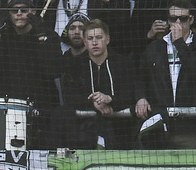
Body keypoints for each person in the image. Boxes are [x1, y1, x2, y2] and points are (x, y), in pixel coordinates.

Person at [0, 1, 63, 149]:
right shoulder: (2, 37)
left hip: (42, 111)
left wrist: (41, 37)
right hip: (8, 113)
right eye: (14, 11)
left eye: (24, 9)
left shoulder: (49, 36)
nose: (19, 13)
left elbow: (53, 70)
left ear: (32, 11)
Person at [135, 0, 196, 148]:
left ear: (191, 20)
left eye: (183, 19)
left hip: (191, 129)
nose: (178, 23)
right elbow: (141, 78)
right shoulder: (155, 48)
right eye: (173, 18)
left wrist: (179, 43)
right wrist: (141, 97)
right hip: (160, 128)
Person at [59, 19, 140, 149]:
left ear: (107, 39)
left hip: (122, 131)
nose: (95, 42)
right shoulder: (74, 65)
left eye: (99, 37)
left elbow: (131, 93)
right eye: (90, 38)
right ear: (85, 42)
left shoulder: (123, 63)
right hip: (85, 132)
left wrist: (111, 100)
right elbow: (70, 97)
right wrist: (94, 104)